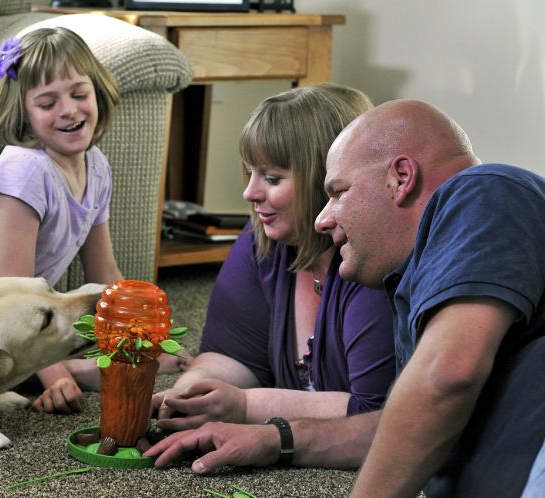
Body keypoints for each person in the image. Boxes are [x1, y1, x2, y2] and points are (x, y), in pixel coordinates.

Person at [148, 99, 545, 498]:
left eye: (338, 192)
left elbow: (447, 376)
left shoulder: (486, 189)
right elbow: (397, 423)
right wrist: (276, 439)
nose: (323, 219)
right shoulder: (414, 284)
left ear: (401, 177)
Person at [0, 27, 180, 415]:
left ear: (96, 92)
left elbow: (105, 273)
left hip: (3, 325)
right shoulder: (25, 171)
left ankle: (63, 368)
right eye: (48, 103)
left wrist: (140, 339)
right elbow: (18, 301)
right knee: (25, 357)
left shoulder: (96, 166)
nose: (69, 110)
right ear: (24, 114)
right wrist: (55, 378)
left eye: (79, 95)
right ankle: (60, 370)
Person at [151, 84, 396, 439]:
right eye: (250, 172)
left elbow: (374, 412)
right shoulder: (261, 244)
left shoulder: (374, 262)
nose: (250, 193)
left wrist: (246, 407)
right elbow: (232, 356)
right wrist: (191, 392)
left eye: (272, 178)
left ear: (323, 182)